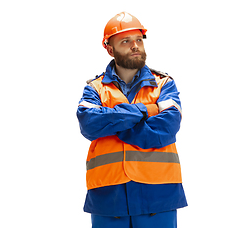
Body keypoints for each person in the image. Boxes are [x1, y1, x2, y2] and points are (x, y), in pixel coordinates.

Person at [77, 12, 187, 228]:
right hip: (109, 196)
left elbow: (166, 129)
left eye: (138, 40)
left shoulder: (164, 84)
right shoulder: (94, 89)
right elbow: (89, 124)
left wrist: (112, 123)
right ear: (110, 49)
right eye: (125, 41)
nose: (135, 46)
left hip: (158, 194)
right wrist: (145, 110)